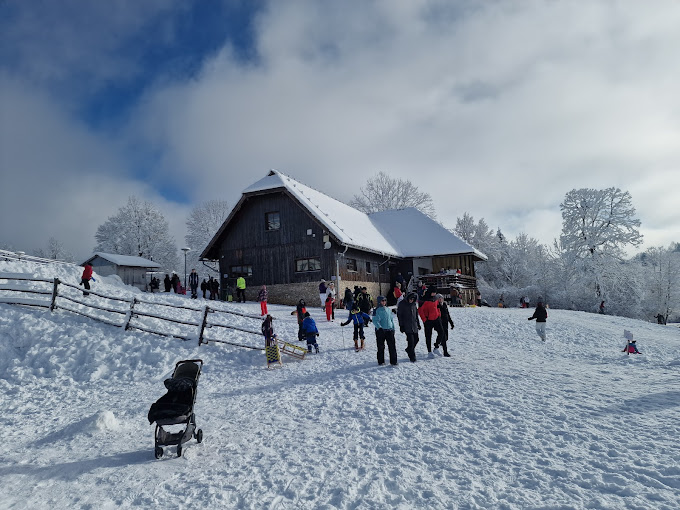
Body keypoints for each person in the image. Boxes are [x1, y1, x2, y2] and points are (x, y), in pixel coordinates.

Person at [418, 285, 444, 354]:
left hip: (436, 318)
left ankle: (436, 347)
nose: (434, 294)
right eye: (433, 292)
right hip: (428, 320)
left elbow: (437, 307)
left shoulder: (435, 298)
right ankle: (429, 351)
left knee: (441, 332)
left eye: (435, 293)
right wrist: (424, 320)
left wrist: (439, 315)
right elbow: (420, 311)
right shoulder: (423, 300)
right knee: (428, 336)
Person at [373, 295, 398, 366]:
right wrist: (379, 328)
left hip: (389, 330)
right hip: (381, 331)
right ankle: (381, 361)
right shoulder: (376, 310)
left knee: (392, 346)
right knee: (381, 346)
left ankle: (393, 361)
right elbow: (375, 320)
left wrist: (393, 328)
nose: (384, 302)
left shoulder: (388, 309)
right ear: (379, 302)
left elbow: (391, 319)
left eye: (385, 300)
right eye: (382, 301)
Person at [397, 292, 421, 362]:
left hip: (414, 325)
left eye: (413, 299)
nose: (411, 300)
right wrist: (401, 325)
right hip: (406, 325)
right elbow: (399, 316)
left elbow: (416, 315)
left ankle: (409, 349)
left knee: (416, 339)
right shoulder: (402, 304)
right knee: (411, 341)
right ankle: (412, 356)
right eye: (410, 299)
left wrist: (418, 324)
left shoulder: (413, 304)